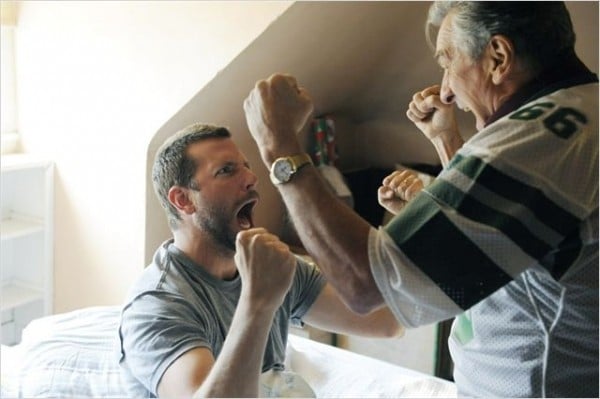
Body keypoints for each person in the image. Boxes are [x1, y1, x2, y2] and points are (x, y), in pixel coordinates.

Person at [243, 2, 598, 397]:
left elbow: (367, 285)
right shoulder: (582, 110)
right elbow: (503, 234)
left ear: (498, 57)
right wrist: (450, 146)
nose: (446, 88)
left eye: (449, 62)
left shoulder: (531, 143)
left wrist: (281, 151)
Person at [118, 123, 403, 398]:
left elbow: (388, 322)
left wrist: (407, 227)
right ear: (183, 200)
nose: (252, 179)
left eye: (247, 167)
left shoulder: (274, 266)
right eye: (226, 170)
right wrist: (259, 298)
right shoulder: (157, 304)